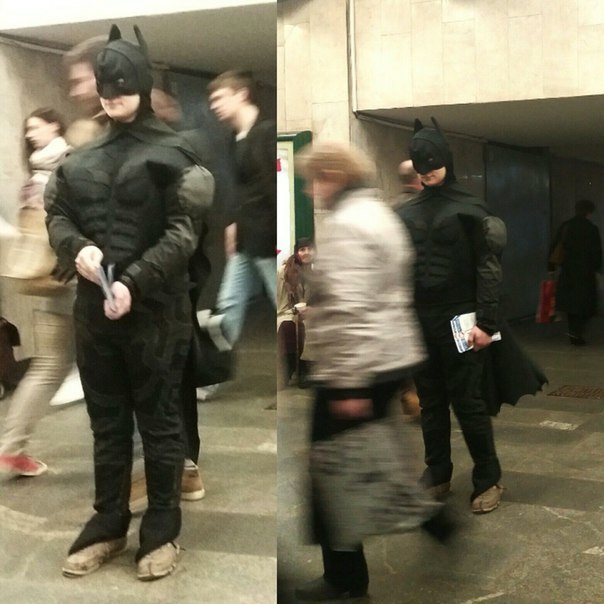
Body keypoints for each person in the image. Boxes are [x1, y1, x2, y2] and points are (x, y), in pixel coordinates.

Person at [45, 25, 214, 580]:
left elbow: (183, 233)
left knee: (160, 422)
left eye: (122, 84)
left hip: (157, 313)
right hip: (94, 314)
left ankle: (161, 527)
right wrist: (77, 248)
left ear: (141, 83)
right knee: (107, 423)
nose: (112, 95)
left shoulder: (176, 153)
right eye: (105, 85)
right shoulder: (80, 159)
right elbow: (58, 215)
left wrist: (134, 282)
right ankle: (109, 521)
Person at [293, 142, 447, 601]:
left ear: (334, 175)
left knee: (330, 470)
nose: (310, 190)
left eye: (314, 180)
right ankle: (432, 519)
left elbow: (350, 309)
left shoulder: (346, 224)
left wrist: (348, 384)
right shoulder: (381, 214)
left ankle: (344, 579)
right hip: (390, 358)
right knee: (372, 456)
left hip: (356, 367)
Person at [397, 118, 508, 514]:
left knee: (468, 402)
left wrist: (487, 323)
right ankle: (438, 472)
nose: (427, 173)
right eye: (421, 167)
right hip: (421, 319)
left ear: (446, 160)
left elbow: (488, 267)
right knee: (430, 402)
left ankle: (488, 477)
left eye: (433, 165)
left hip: (461, 318)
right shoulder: (406, 212)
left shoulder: (471, 209)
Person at [0, 108, 73, 477]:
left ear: (54, 124)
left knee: (49, 366)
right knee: (57, 367)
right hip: (72, 279)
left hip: (48, 281)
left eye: (35, 127)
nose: (30, 134)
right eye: (27, 129)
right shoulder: (66, 165)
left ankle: (11, 449)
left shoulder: (38, 175)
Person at [205, 70, 276, 351]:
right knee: (228, 304)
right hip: (246, 239)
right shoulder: (234, 138)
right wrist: (233, 222)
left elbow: (273, 187)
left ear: (242, 94)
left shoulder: (266, 133)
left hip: (268, 240)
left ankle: (309, 360)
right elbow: (242, 188)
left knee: (284, 303)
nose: (214, 105)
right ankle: (216, 367)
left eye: (221, 97)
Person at [550, 199, 602, 345]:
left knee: (571, 305)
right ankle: (578, 332)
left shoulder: (566, 226)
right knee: (585, 304)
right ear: (589, 212)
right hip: (585, 272)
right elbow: (596, 252)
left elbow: (555, 246)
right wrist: (598, 267)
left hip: (568, 271)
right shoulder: (591, 229)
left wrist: (551, 267)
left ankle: (573, 331)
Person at [277, 237, 314, 389]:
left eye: (309, 249)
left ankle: (305, 369)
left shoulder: (315, 273)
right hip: (287, 312)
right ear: (296, 252)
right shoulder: (284, 272)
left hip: (309, 314)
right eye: (302, 249)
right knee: (288, 326)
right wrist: (296, 311)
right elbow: (281, 304)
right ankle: (291, 368)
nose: (306, 252)